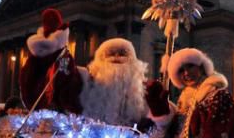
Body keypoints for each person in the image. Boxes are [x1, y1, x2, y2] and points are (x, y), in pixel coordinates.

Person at [19, 8, 171, 128]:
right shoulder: (85, 81)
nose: (116, 57)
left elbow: (162, 128)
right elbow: (63, 83)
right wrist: (51, 52)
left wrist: (159, 112)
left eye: (123, 53)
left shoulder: (145, 91)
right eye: (110, 54)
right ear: (99, 60)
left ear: (133, 62)